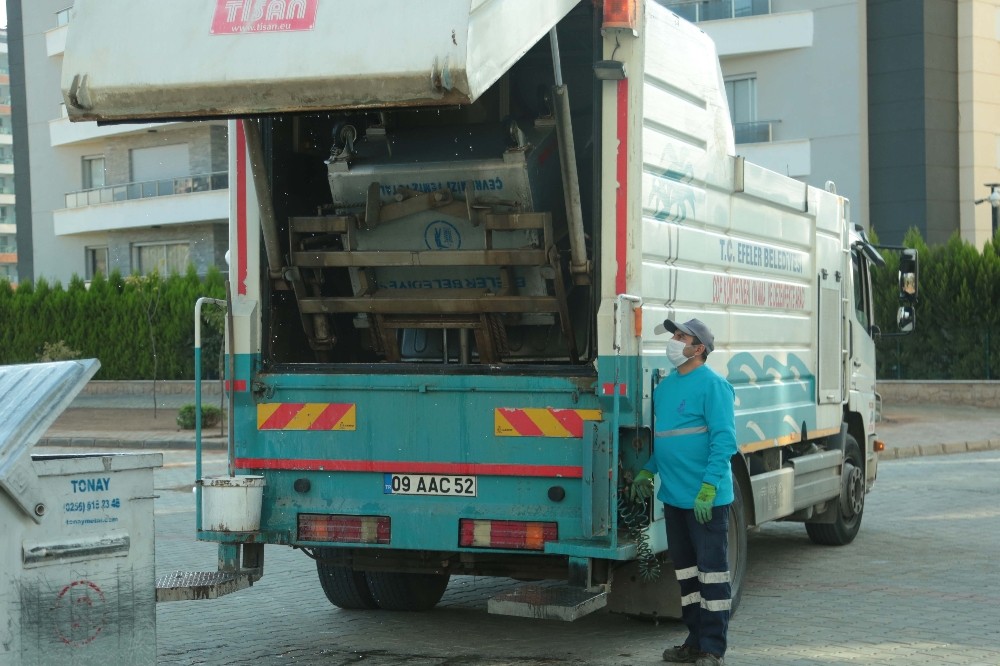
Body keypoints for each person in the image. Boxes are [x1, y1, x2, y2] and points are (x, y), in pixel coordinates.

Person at [630, 318, 737, 666]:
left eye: (681, 337)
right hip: (674, 499)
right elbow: (665, 440)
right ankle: (694, 640)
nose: (674, 342)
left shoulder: (714, 386)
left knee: (712, 575)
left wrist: (709, 487)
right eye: (674, 336)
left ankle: (712, 648)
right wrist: (648, 469)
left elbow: (724, 441)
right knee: (688, 576)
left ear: (698, 348)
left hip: (705, 501)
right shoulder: (665, 388)